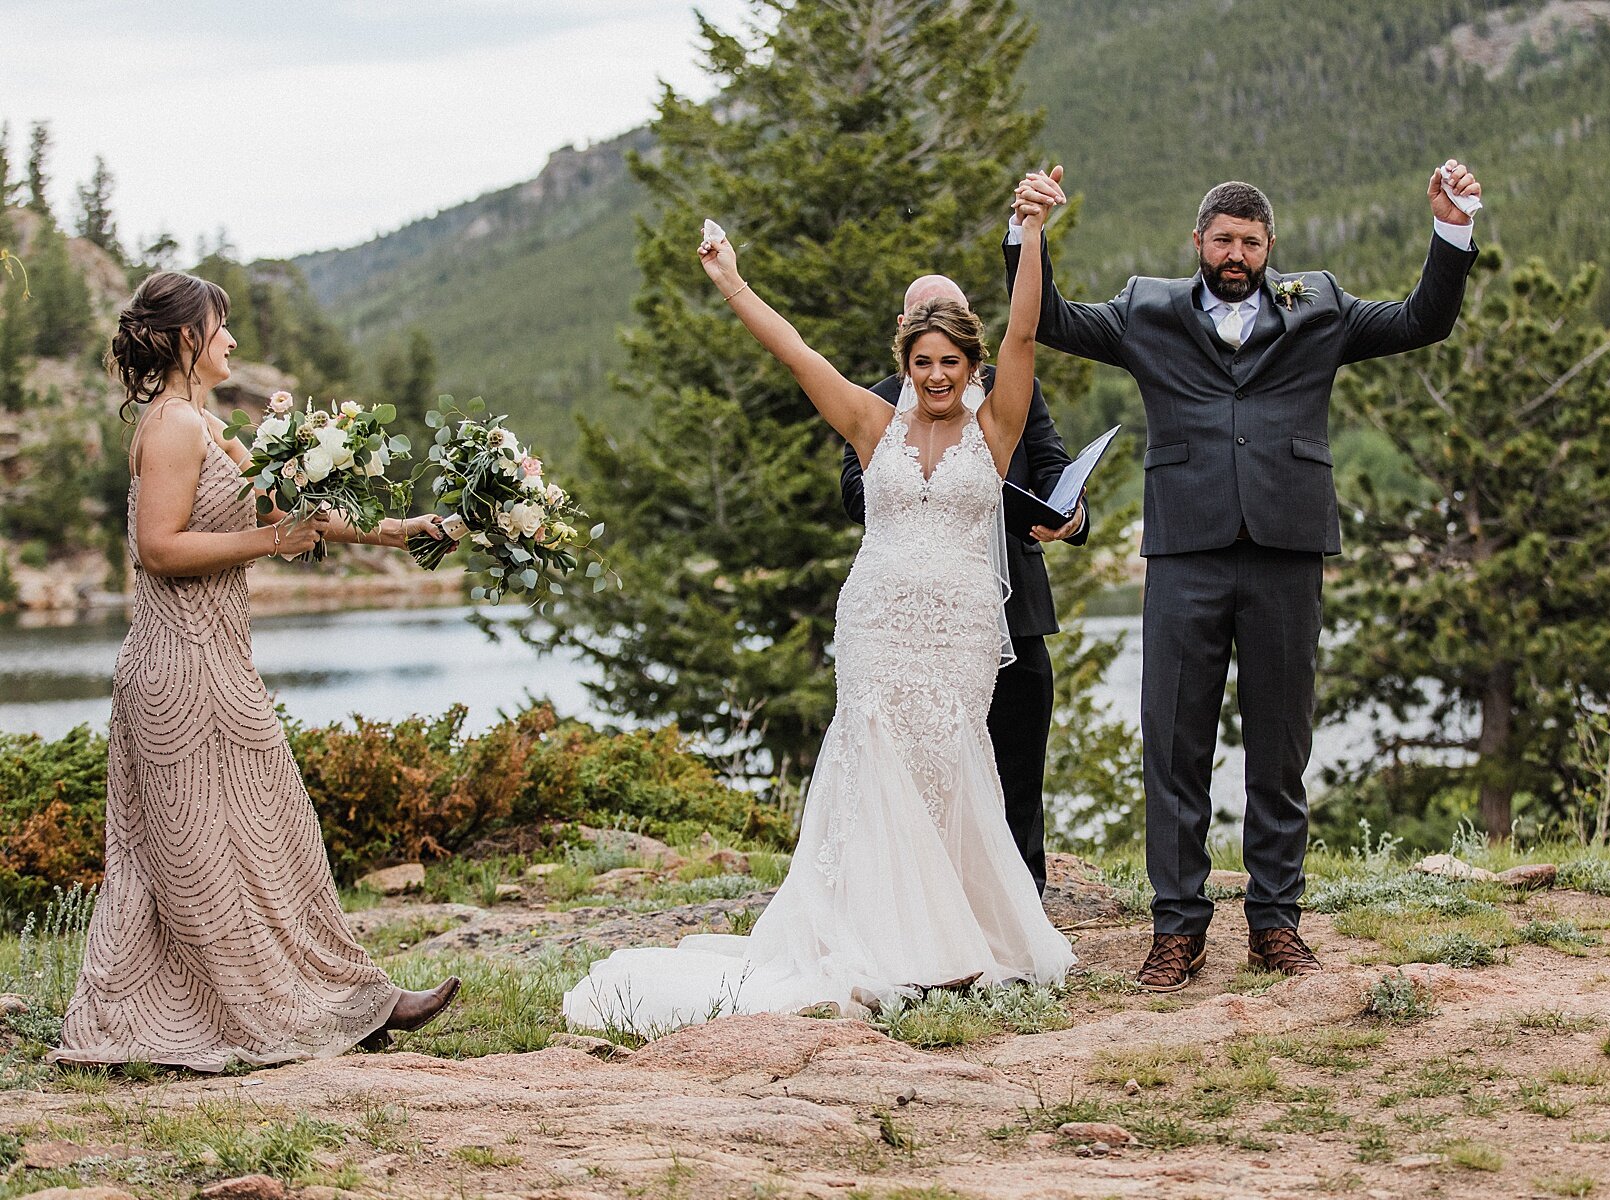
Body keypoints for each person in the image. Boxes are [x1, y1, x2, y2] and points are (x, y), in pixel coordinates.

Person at [562, 203, 1073, 1034]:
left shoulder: (998, 424)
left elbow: (1023, 333)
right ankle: (878, 937)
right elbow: (795, 352)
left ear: (970, 363)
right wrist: (732, 283)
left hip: (961, 632)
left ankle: (957, 933)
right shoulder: (874, 424)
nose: (936, 376)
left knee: (948, 762)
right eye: (921, 362)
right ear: (902, 362)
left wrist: (1032, 235)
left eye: (949, 362)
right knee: (875, 762)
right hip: (877, 624)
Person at [1007, 161, 1482, 988]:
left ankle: (1275, 924)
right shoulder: (1146, 309)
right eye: (1223, 239)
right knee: (1174, 744)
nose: (1236, 253)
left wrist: (1451, 231)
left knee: (1281, 742)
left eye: (1251, 242)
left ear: (1270, 248)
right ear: (1198, 242)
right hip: (1185, 550)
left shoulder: (1322, 305)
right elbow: (1048, 318)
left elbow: (1422, 320)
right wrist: (1028, 233)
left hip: (1287, 548)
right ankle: (1178, 930)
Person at [51, 271, 461, 1071]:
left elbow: (290, 513)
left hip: (218, 660)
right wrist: (270, 547)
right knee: (196, 853)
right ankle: (252, 1013)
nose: (233, 340)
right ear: (182, 339)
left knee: (275, 835)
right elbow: (161, 548)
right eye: (219, 325)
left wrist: (404, 531)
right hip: (178, 667)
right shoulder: (170, 428)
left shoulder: (206, 424)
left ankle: (350, 1000)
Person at [840, 273, 1087, 896]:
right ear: (903, 334)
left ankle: (1021, 899)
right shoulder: (877, 404)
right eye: (920, 323)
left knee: (1016, 761)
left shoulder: (1007, 392)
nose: (937, 368)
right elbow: (853, 493)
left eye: (947, 323)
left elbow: (1055, 465)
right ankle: (923, 902)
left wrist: (1071, 516)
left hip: (1013, 606)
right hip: (909, 616)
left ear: (969, 331)